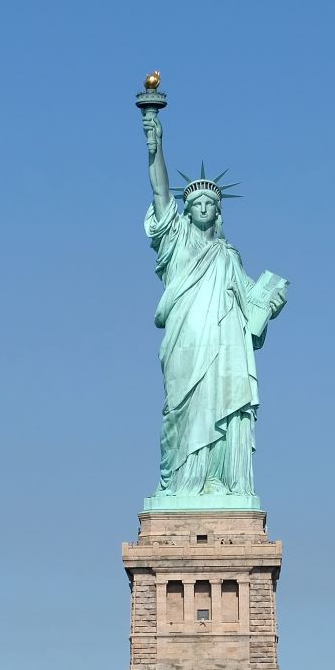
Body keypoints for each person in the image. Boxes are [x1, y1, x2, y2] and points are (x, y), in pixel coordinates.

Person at [141, 106, 287, 500]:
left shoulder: (228, 257)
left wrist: (270, 302)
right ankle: (183, 483)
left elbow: (250, 307)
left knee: (222, 403)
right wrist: (155, 144)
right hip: (186, 341)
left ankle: (219, 481)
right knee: (180, 409)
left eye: (210, 204)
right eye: (196, 204)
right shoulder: (177, 243)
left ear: (217, 212)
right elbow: (159, 191)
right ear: (187, 213)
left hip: (224, 350)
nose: (203, 208)